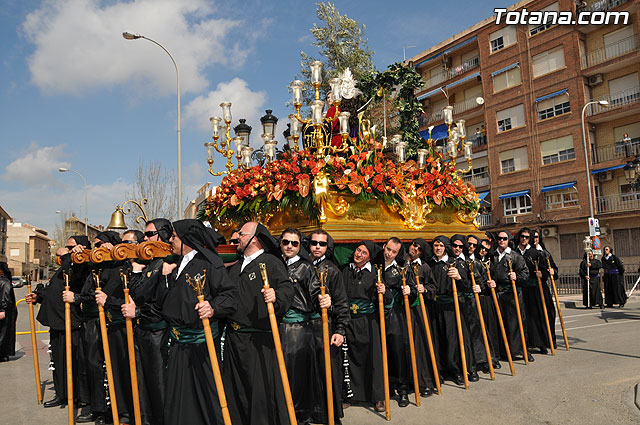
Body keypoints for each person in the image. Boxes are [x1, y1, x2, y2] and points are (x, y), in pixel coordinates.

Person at [160, 219, 237, 425]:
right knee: (180, 397)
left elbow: (229, 296)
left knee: (208, 396)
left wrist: (212, 307)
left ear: (187, 239)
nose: (170, 240)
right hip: (178, 343)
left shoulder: (209, 264)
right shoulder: (175, 264)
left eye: (174, 236)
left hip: (202, 344)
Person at [224, 222, 294, 425]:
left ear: (254, 239)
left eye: (242, 234)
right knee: (237, 389)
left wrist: (277, 295)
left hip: (259, 341)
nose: (237, 237)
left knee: (260, 391)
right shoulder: (236, 266)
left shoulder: (271, 262)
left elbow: (287, 290)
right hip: (234, 339)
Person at [26, 236, 92, 417]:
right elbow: (52, 289)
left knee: (76, 365)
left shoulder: (81, 266)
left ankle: (77, 396)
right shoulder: (63, 267)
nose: (66, 250)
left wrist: (71, 257)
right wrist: (38, 297)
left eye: (71, 247)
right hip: (57, 323)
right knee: (58, 362)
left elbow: (77, 280)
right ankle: (62, 394)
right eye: (67, 247)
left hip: (73, 324)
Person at [121, 219, 174, 425]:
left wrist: (139, 312)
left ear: (162, 235)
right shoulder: (150, 263)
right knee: (142, 384)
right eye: (145, 234)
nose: (146, 239)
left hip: (158, 336)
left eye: (150, 234)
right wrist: (135, 270)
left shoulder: (167, 263)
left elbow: (163, 305)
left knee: (158, 386)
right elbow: (136, 292)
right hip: (142, 332)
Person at [277, 227, 326, 423]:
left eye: (294, 243)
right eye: (286, 242)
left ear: (300, 246)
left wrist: (324, 300)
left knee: (297, 375)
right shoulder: (275, 264)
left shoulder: (306, 267)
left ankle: (299, 415)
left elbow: (315, 293)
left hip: (298, 330)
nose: (289, 246)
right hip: (276, 327)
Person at [92, 231, 134, 425]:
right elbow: (89, 288)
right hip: (110, 325)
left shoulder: (131, 267)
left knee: (128, 373)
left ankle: (129, 413)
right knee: (114, 371)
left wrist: (109, 300)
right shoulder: (109, 265)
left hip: (128, 327)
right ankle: (119, 411)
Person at [341, 241, 390, 412]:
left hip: (369, 321)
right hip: (349, 320)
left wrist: (384, 291)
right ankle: (350, 395)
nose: (359, 254)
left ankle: (378, 397)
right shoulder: (346, 270)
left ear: (369, 257)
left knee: (374, 358)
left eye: (364, 253)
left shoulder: (375, 273)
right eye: (358, 250)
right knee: (350, 358)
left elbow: (388, 298)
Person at [307, 229, 349, 423]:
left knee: (328, 372)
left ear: (327, 247)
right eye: (314, 243)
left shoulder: (332, 270)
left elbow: (342, 303)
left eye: (322, 244)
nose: (317, 247)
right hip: (303, 328)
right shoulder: (302, 265)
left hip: (325, 325)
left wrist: (340, 330)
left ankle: (332, 415)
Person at [427, 235, 474, 386]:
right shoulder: (429, 264)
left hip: (451, 307)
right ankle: (440, 371)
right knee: (437, 339)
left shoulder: (455, 263)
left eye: (441, 245)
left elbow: (467, 286)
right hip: (435, 307)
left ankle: (456, 370)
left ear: (446, 247)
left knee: (452, 340)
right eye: (435, 245)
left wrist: (459, 277)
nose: (438, 248)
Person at [486, 230, 532, 362]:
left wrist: (517, 276)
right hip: (498, 295)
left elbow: (525, 274)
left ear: (508, 240)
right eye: (499, 238)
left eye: (504, 238)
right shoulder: (492, 256)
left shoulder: (515, 256)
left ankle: (522, 349)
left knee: (516, 323)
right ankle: (504, 351)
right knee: (501, 323)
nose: (502, 241)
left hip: (512, 294)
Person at [380, 237, 415, 407]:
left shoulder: (402, 269)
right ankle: (383, 388)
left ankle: (403, 389)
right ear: (383, 247)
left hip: (395, 315)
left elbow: (413, 288)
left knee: (398, 350)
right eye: (388, 249)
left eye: (393, 251)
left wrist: (410, 289)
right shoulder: (374, 266)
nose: (389, 253)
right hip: (376, 315)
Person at [515, 228, 554, 355]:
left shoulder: (536, 253)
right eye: (522, 236)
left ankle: (541, 343)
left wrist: (541, 273)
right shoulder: (514, 253)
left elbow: (546, 269)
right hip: (519, 289)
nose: (524, 239)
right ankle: (524, 344)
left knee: (537, 317)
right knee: (522, 317)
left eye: (527, 237)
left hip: (534, 289)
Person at [406, 238, 438, 396]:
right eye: (413, 245)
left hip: (418, 310)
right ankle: (407, 381)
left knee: (420, 345)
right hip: (402, 310)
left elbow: (433, 288)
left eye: (418, 248)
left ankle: (425, 382)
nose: (414, 249)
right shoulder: (401, 263)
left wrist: (424, 288)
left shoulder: (424, 267)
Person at [449, 235, 481, 381]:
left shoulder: (469, 262)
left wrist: (462, 280)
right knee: (453, 340)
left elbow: (476, 282)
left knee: (467, 338)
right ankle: (456, 370)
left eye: (460, 246)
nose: (457, 248)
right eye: (455, 246)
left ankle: (471, 368)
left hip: (465, 304)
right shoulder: (448, 262)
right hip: (450, 305)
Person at [467, 235, 500, 371]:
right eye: (469, 244)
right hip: (466, 301)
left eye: (475, 246)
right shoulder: (458, 261)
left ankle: (489, 358)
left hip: (480, 299)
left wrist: (488, 285)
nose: (472, 248)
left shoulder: (479, 263)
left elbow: (486, 281)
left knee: (484, 330)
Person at [0, 261, 17, 362]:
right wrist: (3, 309)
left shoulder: (4, 281)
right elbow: (5, 297)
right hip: (5, 312)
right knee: (3, 333)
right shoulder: (5, 282)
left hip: (5, 311)